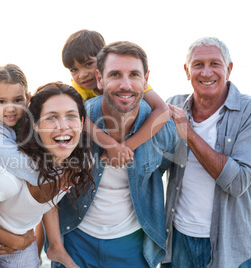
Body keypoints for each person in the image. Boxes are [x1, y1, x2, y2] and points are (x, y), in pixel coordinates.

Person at [53, 41, 177, 268]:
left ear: (146, 79)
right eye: (115, 75)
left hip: (132, 245)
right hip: (75, 240)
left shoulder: (163, 129)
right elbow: (48, 177)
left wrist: (126, 147)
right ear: (100, 79)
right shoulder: (75, 120)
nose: (126, 84)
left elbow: (168, 170)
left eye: (134, 75)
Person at [0, 82, 94, 267]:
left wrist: (54, 247)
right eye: (51, 117)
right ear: (36, 125)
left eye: (71, 116)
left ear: (81, 123)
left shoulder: (73, 166)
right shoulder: (9, 177)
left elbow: (48, 201)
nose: (63, 126)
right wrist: (11, 239)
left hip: (23, 239)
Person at [162, 37, 251, 268]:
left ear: (229, 69)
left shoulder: (247, 112)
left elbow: (239, 182)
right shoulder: (173, 105)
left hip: (230, 246)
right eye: (198, 64)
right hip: (178, 238)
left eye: (215, 63)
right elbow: (153, 164)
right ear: (187, 70)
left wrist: (188, 132)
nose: (206, 72)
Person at [61, 29, 171, 167]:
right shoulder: (79, 88)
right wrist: (111, 146)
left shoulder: (131, 83)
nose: (82, 74)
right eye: (73, 70)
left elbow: (163, 110)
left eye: (88, 64)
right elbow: (79, 118)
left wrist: (127, 147)